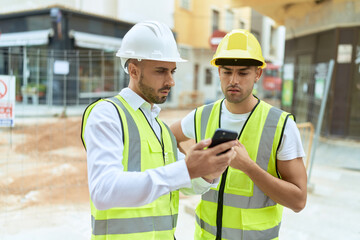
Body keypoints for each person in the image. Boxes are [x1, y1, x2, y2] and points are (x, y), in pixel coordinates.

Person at [80, 21, 238, 240]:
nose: (171, 81)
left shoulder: (161, 128)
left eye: (172, 71)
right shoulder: (107, 114)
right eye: (161, 71)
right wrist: (185, 169)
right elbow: (104, 191)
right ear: (133, 70)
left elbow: (180, 185)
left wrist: (207, 174)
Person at [170, 29, 308, 240]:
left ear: (258, 74)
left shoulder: (281, 125)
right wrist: (189, 164)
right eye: (227, 72)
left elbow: (298, 201)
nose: (233, 80)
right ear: (219, 72)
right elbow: (166, 137)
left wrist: (249, 167)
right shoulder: (202, 115)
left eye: (243, 73)